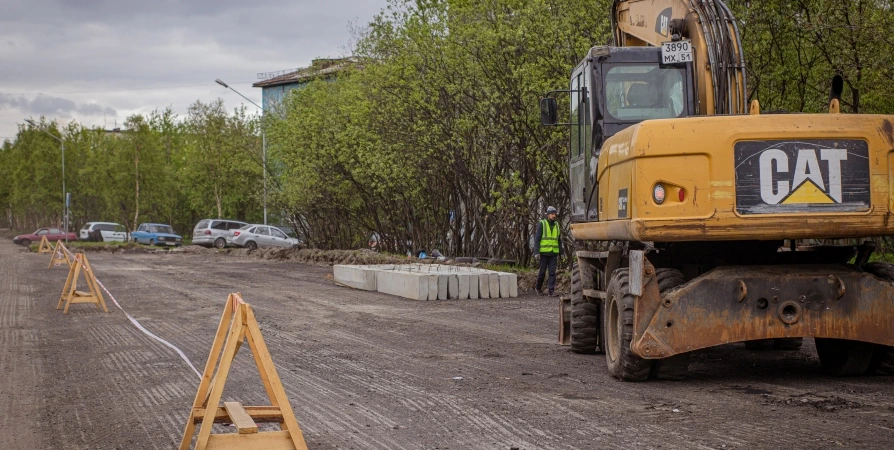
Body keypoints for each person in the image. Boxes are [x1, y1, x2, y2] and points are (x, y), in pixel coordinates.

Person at [532, 206, 561, 296]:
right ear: (548, 215)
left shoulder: (556, 225)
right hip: (544, 253)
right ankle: (538, 288)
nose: (554, 216)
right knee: (542, 272)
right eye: (552, 214)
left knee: (552, 272)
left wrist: (561, 252)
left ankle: (551, 291)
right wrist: (536, 252)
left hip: (553, 253)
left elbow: (559, 240)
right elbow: (537, 239)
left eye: (554, 214)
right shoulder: (542, 224)